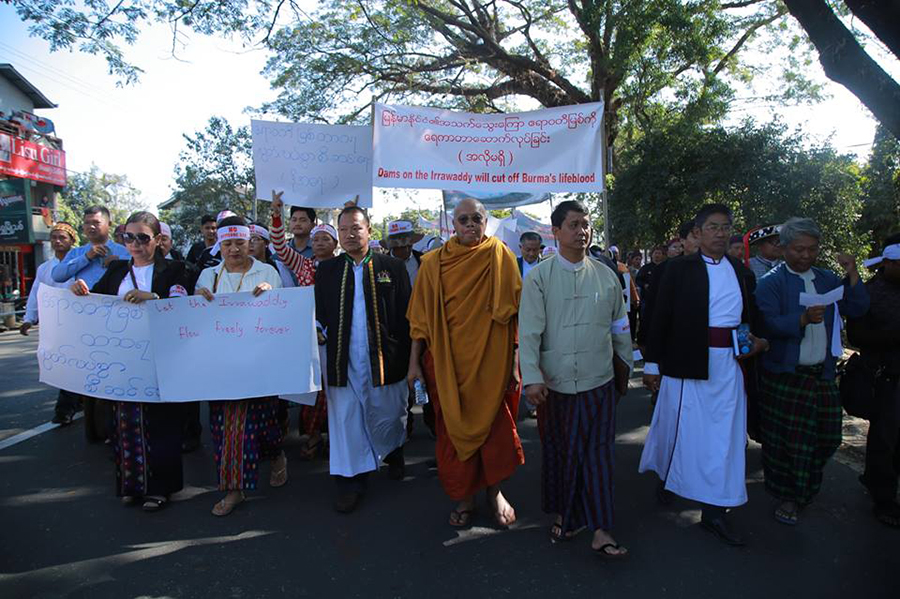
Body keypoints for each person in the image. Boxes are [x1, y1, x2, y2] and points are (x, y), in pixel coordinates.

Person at [639, 204, 768, 546]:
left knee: (724, 439)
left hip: (729, 367)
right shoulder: (677, 270)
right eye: (713, 227)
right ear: (697, 232)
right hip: (687, 364)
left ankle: (715, 512)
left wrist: (755, 343)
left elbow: (747, 319)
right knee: (680, 430)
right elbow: (659, 318)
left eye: (726, 227)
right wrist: (652, 364)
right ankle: (668, 477)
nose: (721, 233)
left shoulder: (741, 273)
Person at [519, 200, 633, 557]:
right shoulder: (539, 276)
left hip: (599, 381)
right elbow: (530, 332)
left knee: (599, 454)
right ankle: (567, 514)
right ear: (555, 232)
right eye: (573, 225)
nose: (581, 231)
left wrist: (624, 370)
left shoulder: (605, 274)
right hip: (556, 385)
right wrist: (533, 378)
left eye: (585, 224)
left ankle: (602, 528)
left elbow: (620, 327)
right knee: (562, 452)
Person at [407, 198, 524, 528]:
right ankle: (464, 495)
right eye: (463, 220)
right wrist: (413, 363)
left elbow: (513, 315)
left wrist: (515, 363)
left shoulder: (500, 256)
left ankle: (494, 491)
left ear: (486, 222)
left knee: (494, 428)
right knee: (451, 429)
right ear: (452, 225)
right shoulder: (433, 263)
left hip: (492, 360)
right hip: (447, 362)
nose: (470, 224)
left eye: (476, 218)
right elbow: (420, 321)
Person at [70, 211, 195, 512]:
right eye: (129, 236)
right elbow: (95, 304)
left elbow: (183, 304)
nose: (136, 244)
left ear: (157, 240)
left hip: (160, 358)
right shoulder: (115, 273)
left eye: (143, 237)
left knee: (161, 423)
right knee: (125, 424)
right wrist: (80, 291)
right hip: (123, 359)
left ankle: (160, 488)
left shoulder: (176, 269)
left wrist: (152, 296)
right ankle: (132, 485)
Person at [755, 217, 868, 525]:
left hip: (823, 375)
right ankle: (790, 495)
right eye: (798, 249)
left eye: (812, 249)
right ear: (784, 248)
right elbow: (766, 324)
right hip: (786, 375)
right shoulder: (772, 283)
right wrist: (801, 321)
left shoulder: (827, 279)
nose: (805, 256)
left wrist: (852, 273)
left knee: (828, 436)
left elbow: (856, 308)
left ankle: (805, 482)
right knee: (785, 443)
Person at [315, 205, 411, 513]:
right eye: (343, 230)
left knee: (389, 412)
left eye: (356, 228)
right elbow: (318, 314)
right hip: (342, 358)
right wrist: (317, 330)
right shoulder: (327, 270)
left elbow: (406, 316)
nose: (350, 234)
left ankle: (393, 450)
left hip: (385, 358)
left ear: (369, 230)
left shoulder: (391, 267)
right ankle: (350, 480)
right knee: (345, 418)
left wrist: (411, 362)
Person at [195, 215, 290, 516]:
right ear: (219, 246)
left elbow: (281, 314)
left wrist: (270, 295)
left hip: (258, 363)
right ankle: (234, 490)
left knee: (264, 423)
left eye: (240, 243)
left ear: (250, 243)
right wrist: (197, 301)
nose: (234, 249)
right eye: (228, 244)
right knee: (226, 429)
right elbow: (193, 320)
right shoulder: (207, 278)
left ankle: (276, 456)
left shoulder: (268, 272)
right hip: (221, 366)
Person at [51, 205, 130, 441]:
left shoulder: (123, 251)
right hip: (85, 323)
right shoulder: (78, 253)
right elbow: (58, 275)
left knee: (115, 375)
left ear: (108, 224)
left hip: (116, 323)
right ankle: (97, 432)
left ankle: (117, 429)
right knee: (91, 377)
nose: (91, 227)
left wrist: (120, 264)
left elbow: (138, 273)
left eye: (96, 222)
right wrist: (87, 258)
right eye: (87, 223)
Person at [848, 234, 900, 528]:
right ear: (890, 262)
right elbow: (856, 335)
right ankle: (883, 498)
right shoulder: (870, 293)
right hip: (885, 378)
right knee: (885, 439)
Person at [20, 222, 80, 424]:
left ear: (72, 240)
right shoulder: (45, 268)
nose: (57, 241)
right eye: (54, 237)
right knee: (64, 364)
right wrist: (29, 318)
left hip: (80, 323)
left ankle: (68, 407)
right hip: (56, 325)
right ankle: (70, 405)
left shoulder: (81, 263)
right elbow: (36, 293)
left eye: (62, 237)